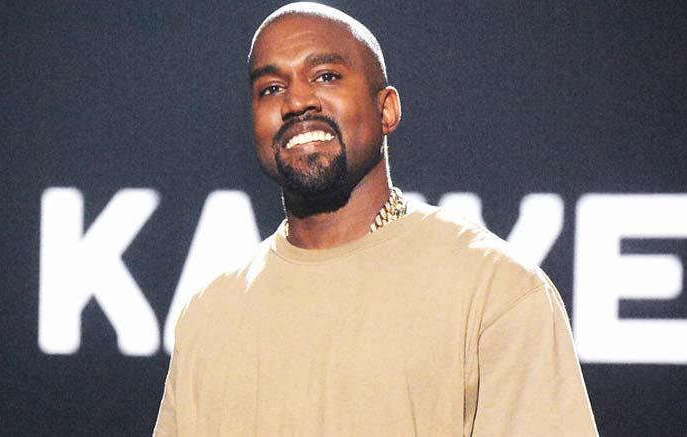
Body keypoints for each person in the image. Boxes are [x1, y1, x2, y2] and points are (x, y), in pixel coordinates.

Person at [154, 2, 598, 436]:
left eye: (326, 76)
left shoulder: (494, 289)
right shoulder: (209, 315)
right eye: (271, 88)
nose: (297, 101)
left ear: (386, 110)